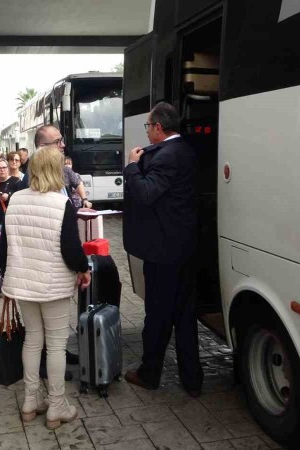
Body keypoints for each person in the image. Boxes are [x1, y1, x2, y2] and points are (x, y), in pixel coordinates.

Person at [0, 146, 90, 430]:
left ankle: (30, 401)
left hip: (24, 283)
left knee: (32, 340)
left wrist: (7, 276)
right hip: (53, 285)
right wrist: (83, 269)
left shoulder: (15, 199)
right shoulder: (61, 203)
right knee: (56, 346)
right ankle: (57, 405)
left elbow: (5, 245)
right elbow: (71, 248)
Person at [122, 102, 203, 398]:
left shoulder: (165, 155)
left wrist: (132, 167)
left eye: (148, 126)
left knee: (157, 316)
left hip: (163, 252)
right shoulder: (187, 150)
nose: (147, 131)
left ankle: (150, 373)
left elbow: (145, 193)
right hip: (186, 247)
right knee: (185, 316)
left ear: (158, 127)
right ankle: (192, 379)